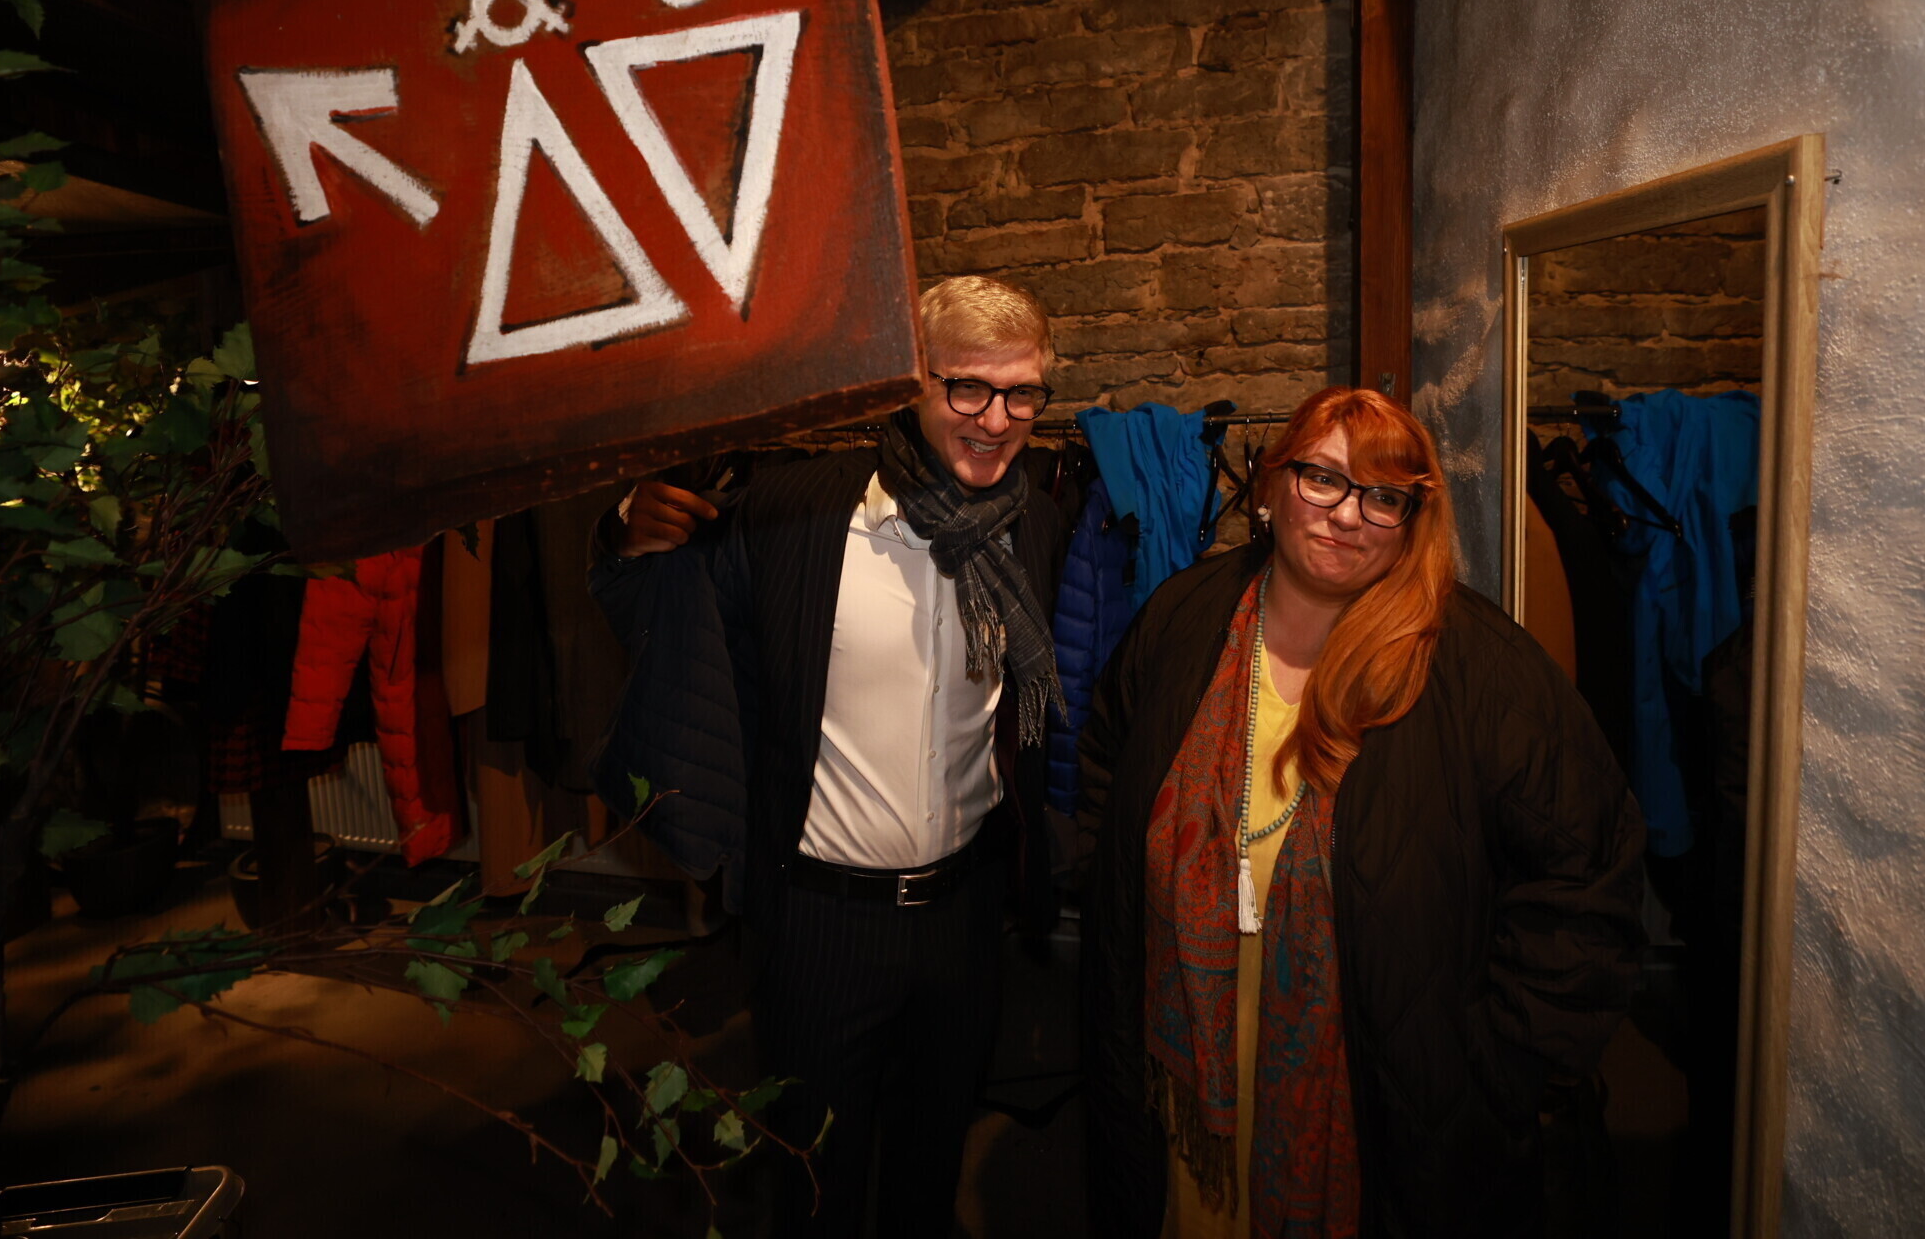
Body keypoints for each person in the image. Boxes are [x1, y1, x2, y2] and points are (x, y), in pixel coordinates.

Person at [1078, 386, 1645, 1238]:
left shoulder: (1480, 668)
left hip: (1381, 1108)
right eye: (1323, 479)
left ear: (1412, 519)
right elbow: (1106, 769)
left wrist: (1496, 1070)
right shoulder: (1185, 618)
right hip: (1184, 1076)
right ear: (1272, 484)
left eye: (1383, 496)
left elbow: (1590, 871)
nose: (1347, 514)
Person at [593, 275, 1068, 1238]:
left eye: (1022, 393)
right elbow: (669, 621)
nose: (996, 420)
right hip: (821, 924)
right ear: (911, 381)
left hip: (964, 919)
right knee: (814, 1186)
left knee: (931, 1170)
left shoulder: (1036, 525)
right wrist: (627, 535)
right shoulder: (793, 516)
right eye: (968, 389)